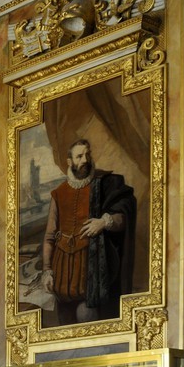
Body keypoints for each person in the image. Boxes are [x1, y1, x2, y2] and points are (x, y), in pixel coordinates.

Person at [41, 139, 136, 326]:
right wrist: (47, 270)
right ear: (69, 162)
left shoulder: (106, 184)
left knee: (88, 316)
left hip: (91, 267)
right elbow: (50, 236)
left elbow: (124, 216)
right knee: (65, 323)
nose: (85, 159)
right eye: (79, 156)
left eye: (87, 154)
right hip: (63, 270)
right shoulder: (58, 193)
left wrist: (104, 221)